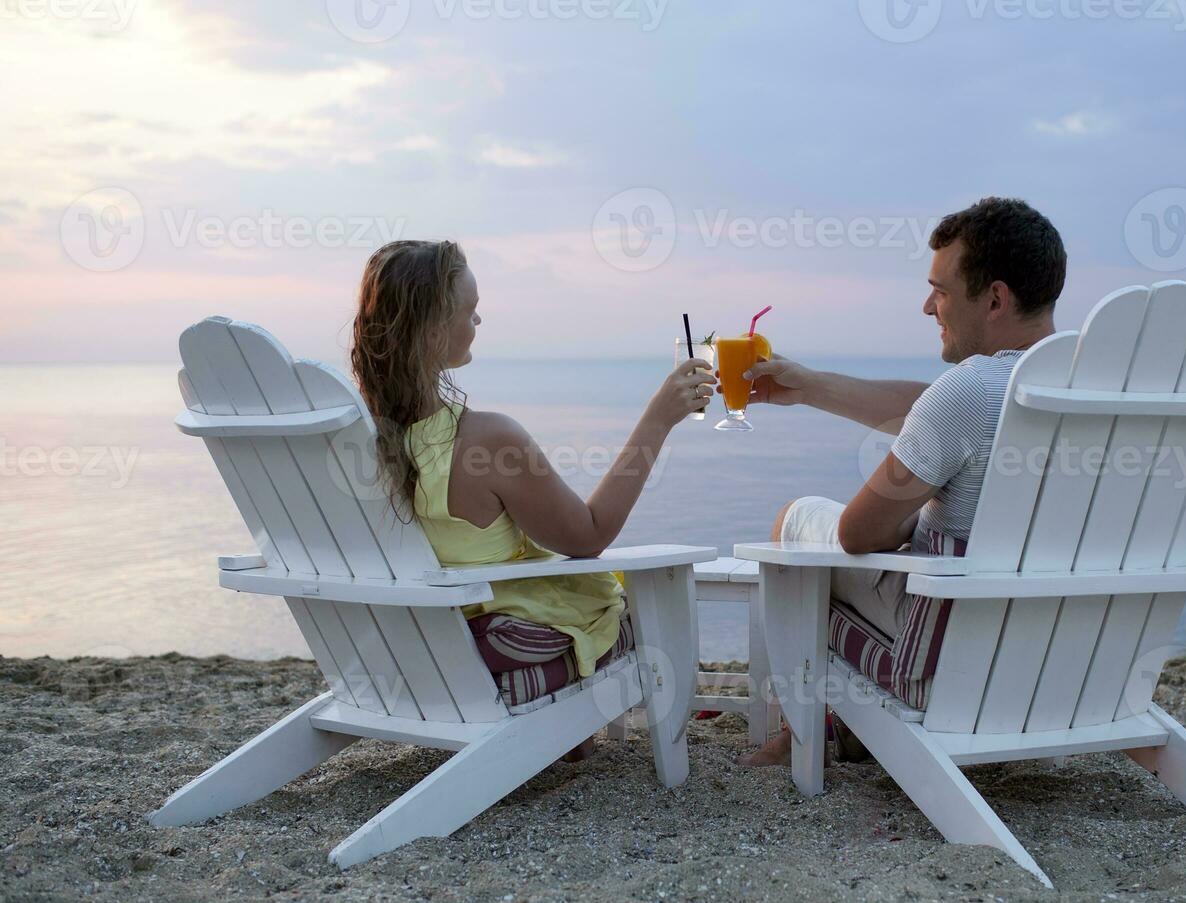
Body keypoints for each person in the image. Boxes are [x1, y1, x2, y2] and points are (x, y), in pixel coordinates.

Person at [731, 197, 1067, 766]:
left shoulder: (969, 391)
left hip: (946, 665)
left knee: (797, 521)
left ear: (994, 298)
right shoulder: (1093, 388)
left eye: (939, 289)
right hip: (1063, 670)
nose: (926, 306)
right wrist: (811, 386)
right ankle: (852, 731)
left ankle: (800, 732)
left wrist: (920, 504)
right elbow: (934, 411)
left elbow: (859, 535)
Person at [350, 240, 715, 760]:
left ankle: (566, 736)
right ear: (432, 329)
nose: (479, 321)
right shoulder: (485, 439)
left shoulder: (361, 442)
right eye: (469, 312)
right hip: (482, 648)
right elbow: (588, 536)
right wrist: (658, 418)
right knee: (660, 590)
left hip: (398, 647)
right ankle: (667, 757)